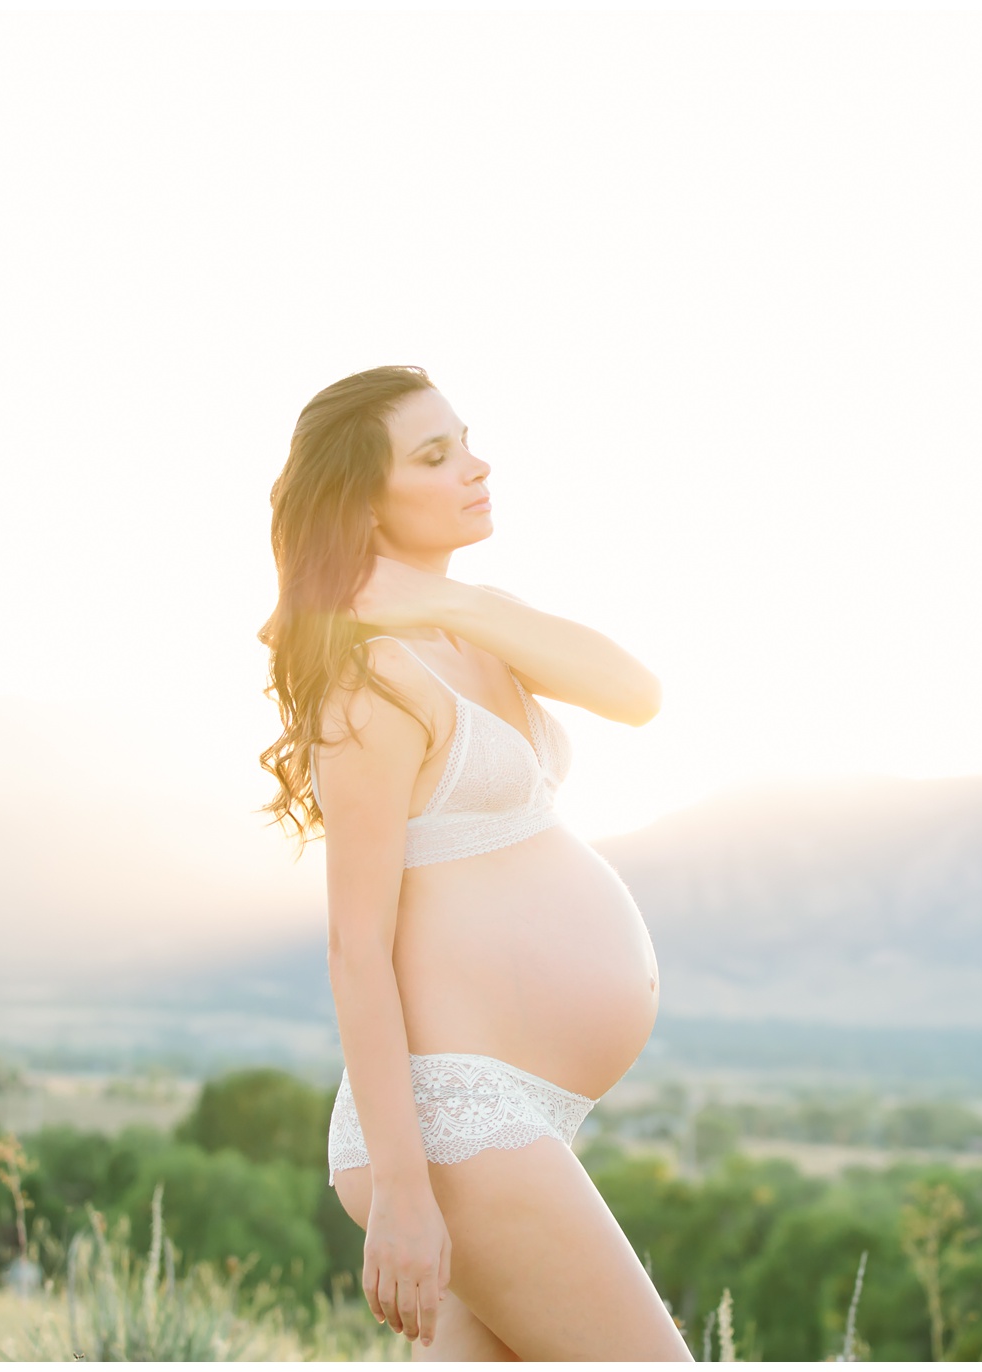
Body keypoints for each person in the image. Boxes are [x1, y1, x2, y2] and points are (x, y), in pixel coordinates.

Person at [258, 365, 690, 1360]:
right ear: (362, 499)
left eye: (465, 440)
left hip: (507, 1115)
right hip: (454, 1120)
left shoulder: (465, 630)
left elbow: (636, 693)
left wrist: (442, 599)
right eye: (434, 454)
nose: (475, 466)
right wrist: (404, 1195)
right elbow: (353, 946)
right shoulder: (368, 682)